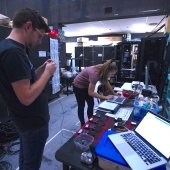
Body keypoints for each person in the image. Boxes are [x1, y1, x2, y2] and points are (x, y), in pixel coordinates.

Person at [0, 8, 57, 170]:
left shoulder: (13, 48)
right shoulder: (13, 52)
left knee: (26, 160)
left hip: (26, 122)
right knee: (31, 165)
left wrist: (42, 69)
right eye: (39, 36)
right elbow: (26, 97)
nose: (39, 42)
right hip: (32, 123)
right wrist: (48, 74)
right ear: (28, 26)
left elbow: (28, 79)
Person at [73, 59, 117, 126]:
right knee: (81, 105)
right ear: (107, 71)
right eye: (112, 74)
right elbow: (91, 93)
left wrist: (114, 93)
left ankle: (90, 121)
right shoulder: (95, 74)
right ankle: (83, 124)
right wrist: (105, 97)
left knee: (91, 104)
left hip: (86, 85)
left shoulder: (104, 68)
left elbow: (106, 81)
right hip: (78, 86)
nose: (112, 76)